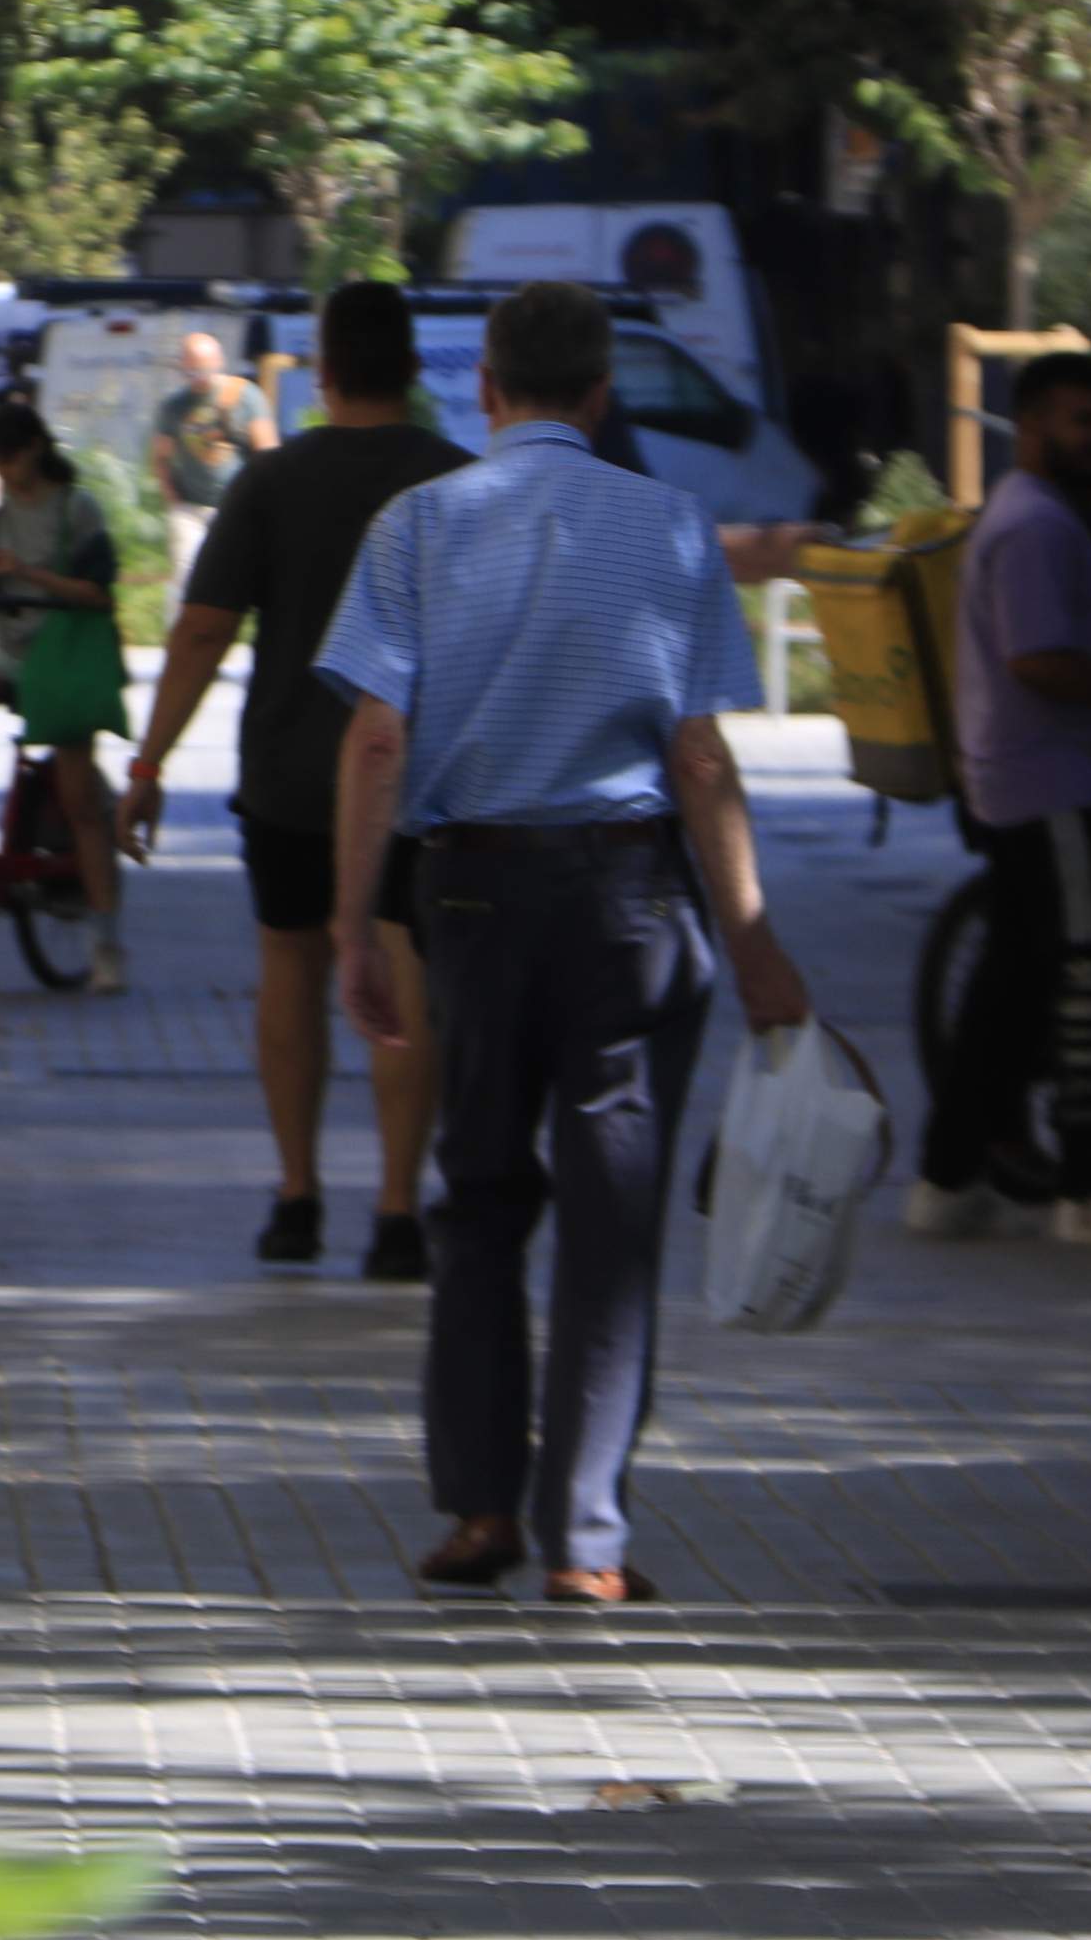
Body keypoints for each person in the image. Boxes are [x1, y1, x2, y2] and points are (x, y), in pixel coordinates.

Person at [318, 279, 807, 1606]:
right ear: (602, 393)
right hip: (631, 905)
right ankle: (587, 1541)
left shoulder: (416, 524)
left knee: (477, 1199)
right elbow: (699, 755)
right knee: (612, 1216)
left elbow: (375, 736)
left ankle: (479, 1510)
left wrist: (357, 922)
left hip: (469, 898)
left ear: (486, 387)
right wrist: (754, 937)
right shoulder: (671, 528)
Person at [121, 280, 469, 1277]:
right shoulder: (453, 482)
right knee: (406, 979)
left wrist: (146, 766)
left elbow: (200, 629)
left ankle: (296, 1195)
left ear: (323, 369)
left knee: (293, 970)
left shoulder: (272, 481)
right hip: (417, 781)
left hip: (287, 772)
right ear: (411, 367)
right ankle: (400, 1209)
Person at [933, 352, 1091, 1240]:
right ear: (1033, 425)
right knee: (1088, 974)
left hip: (1024, 782)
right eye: (1079, 420)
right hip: (1054, 782)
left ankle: (948, 1175)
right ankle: (1087, 1188)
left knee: (1012, 985)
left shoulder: (1044, 518)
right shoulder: (1039, 529)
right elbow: (1038, 660)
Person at [0, 400, 132, 994]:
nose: (1, 471)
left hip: (61, 657)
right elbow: (2, 578)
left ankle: (105, 941)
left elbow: (98, 593)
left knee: (79, 801)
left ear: (33, 448)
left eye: (7, 458)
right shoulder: (2, 510)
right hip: (12, 649)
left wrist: (26, 572)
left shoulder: (75, 509)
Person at [147, 330, 275, 575]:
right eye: (192, 371)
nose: (199, 378)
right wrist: (173, 502)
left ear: (219, 361)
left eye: (204, 369)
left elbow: (268, 454)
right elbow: (160, 458)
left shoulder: (245, 395)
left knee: (235, 576)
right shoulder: (174, 406)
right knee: (186, 576)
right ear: (183, 368)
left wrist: (259, 502)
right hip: (190, 508)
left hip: (236, 506)